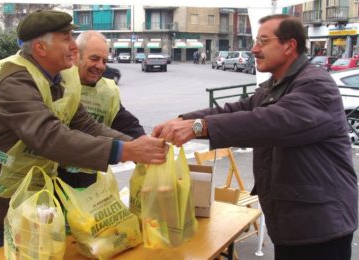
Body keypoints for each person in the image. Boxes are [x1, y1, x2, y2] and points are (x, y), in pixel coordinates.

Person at [0, 10, 166, 259]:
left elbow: (83, 124)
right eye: (66, 38)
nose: (73, 46)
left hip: (23, 203)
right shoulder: (14, 82)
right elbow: (50, 137)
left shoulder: (62, 78)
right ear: (40, 48)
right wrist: (124, 152)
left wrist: (134, 144)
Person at [152, 14, 358, 260]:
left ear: (289, 46)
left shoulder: (316, 85)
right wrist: (183, 120)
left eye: (263, 40)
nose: (254, 48)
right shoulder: (276, 84)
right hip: (293, 222)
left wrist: (198, 128)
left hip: (321, 225)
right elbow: (237, 110)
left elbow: (270, 122)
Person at [59, 30, 145, 188]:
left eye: (104, 61)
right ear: (76, 55)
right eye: (94, 58)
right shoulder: (59, 81)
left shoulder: (107, 90)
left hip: (88, 177)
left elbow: (124, 122)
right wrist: (123, 150)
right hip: (53, 176)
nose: (100, 66)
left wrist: (143, 144)